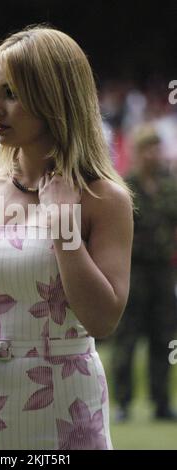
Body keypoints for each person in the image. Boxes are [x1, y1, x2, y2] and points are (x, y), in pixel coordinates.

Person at [0, 25, 133, 450]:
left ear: (55, 97)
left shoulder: (105, 199)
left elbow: (102, 319)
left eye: (11, 94)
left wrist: (61, 224)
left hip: (70, 414)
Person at [111, 124, 177, 422]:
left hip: (163, 272)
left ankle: (161, 403)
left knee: (162, 338)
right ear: (137, 152)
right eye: (148, 148)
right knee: (126, 338)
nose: (154, 154)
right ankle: (123, 403)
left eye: (157, 148)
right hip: (133, 272)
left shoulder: (170, 185)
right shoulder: (126, 187)